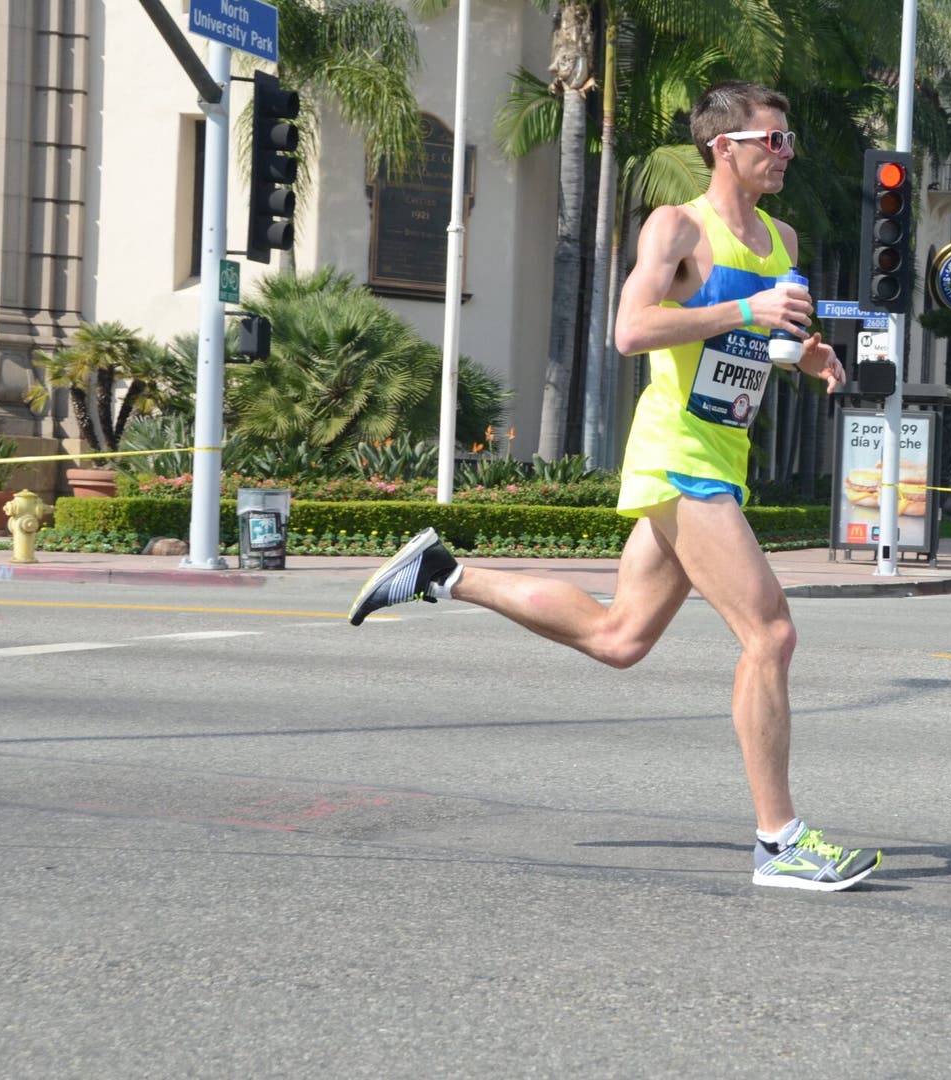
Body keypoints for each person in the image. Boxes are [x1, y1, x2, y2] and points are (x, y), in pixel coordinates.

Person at [348, 81, 879, 892]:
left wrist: (794, 353)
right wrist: (750, 315)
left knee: (620, 638)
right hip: (677, 456)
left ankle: (442, 573)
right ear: (722, 148)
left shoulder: (782, 238)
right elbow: (631, 330)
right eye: (772, 140)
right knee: (770, 635)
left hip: (718, 455)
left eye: (788, 139)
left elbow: (738, 340)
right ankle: (780, 843)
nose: (786, 153)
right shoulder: (677, 227)